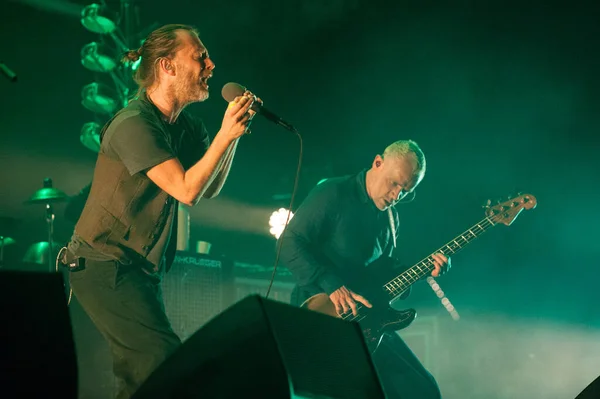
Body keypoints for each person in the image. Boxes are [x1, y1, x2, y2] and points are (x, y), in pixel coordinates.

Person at [64, 24, 257, 399]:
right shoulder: (133, 123)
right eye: (199, 56)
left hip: (137, 271)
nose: (211, 64)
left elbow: (208, 188)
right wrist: (224, 136)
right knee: (164, 363)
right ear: (167, 66)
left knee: (142, 381)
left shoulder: (184, 127)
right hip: (102, 264)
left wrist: (230, 140)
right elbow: (185, 189)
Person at [278, 139, 450, 399]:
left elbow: (381, 272)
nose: (396, 196)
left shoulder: (391, 217)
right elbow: (288, 243)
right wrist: (332, 284)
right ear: (377, 162)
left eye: (405, 191)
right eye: (394, 184)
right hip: (323, 313)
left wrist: (425, 270)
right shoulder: (333, 193)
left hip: (367, 319)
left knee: (422, 389)